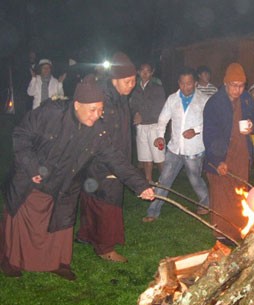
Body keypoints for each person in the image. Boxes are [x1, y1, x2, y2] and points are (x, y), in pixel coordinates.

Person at [0, 76, 154, 280]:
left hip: (64, 182)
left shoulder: (97, 130)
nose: (97, 116)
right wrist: (32, 167)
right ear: (77, 105)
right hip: (33, 178)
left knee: (60, 223)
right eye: (92, 110)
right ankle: (10, 259)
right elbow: (21, 134)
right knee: (21, 218)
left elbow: (115, 158)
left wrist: (140, 185)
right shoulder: (51, 112)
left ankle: (56, 262)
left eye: (101, 110)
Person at [76, 52, 138, 263]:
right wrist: (113, 167)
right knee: (107, 201)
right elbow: (102, 136)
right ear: (114, 79)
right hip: (103, 160)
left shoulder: (120, 98)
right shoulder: (104, 101)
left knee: (92, 196)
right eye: (127, 81)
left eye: (134, 80)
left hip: (107, 159)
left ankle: (86, 234)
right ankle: (105, 248)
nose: (132, 85)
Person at [143, 67, 210, 222]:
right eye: (182, 83)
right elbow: (163, 119)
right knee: (164, 179)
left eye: (189, 83)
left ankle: (205, 202)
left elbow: (210, 123)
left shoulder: (203, 100)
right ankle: (153, 211)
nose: (186, 87)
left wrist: (196, 130)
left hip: (194, 149)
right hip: (174, 148)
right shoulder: (173, 99)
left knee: (195, 179)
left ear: (194, 83)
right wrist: (160, 137)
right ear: (179, 83)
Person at [203, 63, 254, 243]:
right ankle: (222, 233)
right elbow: (210, 134)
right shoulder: (214, 103)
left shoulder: (247, 99)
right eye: (234, 85)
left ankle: (239, 228)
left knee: (239, 191)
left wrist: (252, 126)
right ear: (226, 83)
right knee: (221, 193)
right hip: (221, 154)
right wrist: (218, 160)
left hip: (241, 153)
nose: (237, 90)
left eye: (241, 85)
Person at [129, 62, 166, 182]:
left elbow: (160, 108)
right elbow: (132, 105)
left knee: (159, 158)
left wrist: (143, 117)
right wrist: (135, 114)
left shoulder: (157, 88)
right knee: (146, 158)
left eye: (148, 71)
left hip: (154, 126)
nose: (145, 73)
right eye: (142, 71)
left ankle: (165, 183)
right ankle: (148, 182)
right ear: (138, 72)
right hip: (141, 127)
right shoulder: (134, 88)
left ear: (152, 72)